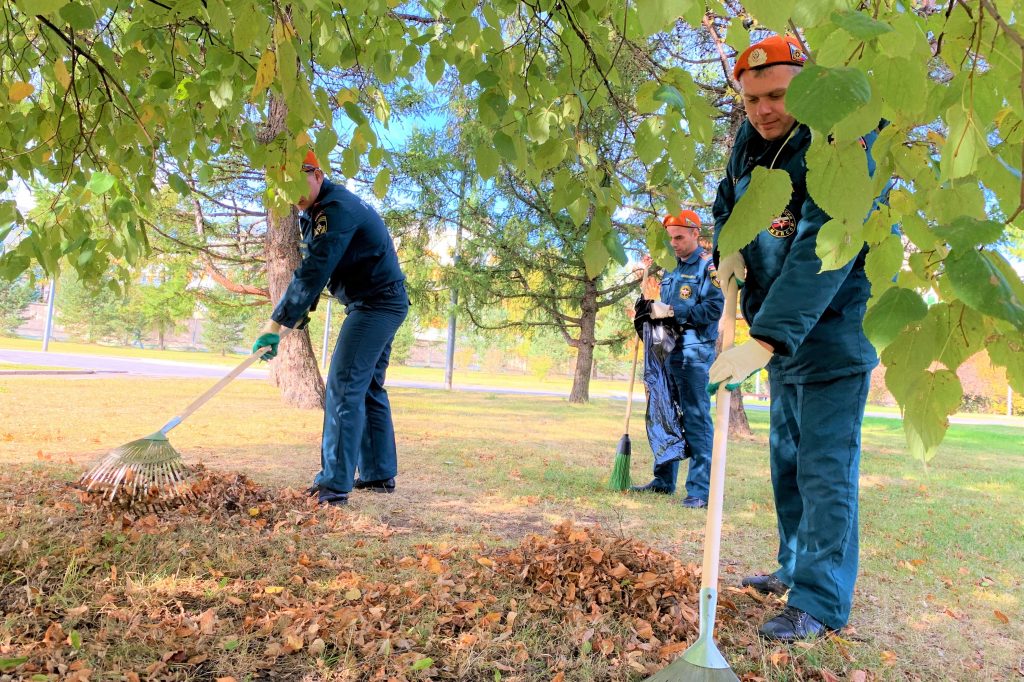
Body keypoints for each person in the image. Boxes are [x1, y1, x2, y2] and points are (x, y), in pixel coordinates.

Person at [708, 35, 882, 641]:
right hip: (778, 344)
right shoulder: (751, 142)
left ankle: (820, 601)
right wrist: (723, 248)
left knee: (823, 472)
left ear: (806, 89)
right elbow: (729, 202)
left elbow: (823, 248)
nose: (762, 109)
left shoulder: (839, 143)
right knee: (786, 467)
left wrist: (767, 339)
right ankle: (791, 567)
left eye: (777, 95)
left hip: (830, 341)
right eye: (751, 98)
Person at [252, 150, 408, 507]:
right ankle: (379, 474)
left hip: (377, 303)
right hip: (380, 301)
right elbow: (321, 269)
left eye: (296, 183)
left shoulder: (334, 210)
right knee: (367, 386)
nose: (293, 195)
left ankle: (334, 484)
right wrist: (295, 319)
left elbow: (314, 271)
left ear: (317, 174)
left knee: (343, 385)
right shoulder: (319, 210)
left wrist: (275, 325)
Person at [631, 210, 724, 509]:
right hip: (665, 349)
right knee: (664, 411)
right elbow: (663, 305)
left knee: (695, 418)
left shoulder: (708, 267)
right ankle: (663, 480)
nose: (674, 243)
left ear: (696, 234)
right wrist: (649, 308)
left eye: (680, 237)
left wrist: (672, 313)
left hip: (693, 353)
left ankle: (699, 490)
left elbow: (712, 309)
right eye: (670, 238)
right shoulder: (671, 268)